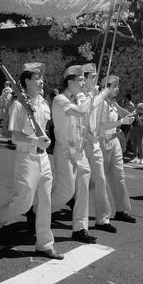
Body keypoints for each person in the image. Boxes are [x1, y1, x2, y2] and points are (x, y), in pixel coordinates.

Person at [0, 62, 63, 259]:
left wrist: (45, 141)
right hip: (26, 157)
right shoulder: (19, 105)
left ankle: (45, 243)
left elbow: (45, 129)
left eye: (41, 78)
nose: (42, 81)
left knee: (45, 202)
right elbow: (15, 137)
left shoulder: (43, 104)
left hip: (42, 158)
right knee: (23, 204)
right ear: (26, 81)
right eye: (37, 78)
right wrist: (36, 140)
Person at [49, 65, 97, 243]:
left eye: (85, 79)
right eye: (81, 80)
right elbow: (80, 112)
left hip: (79, 151)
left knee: (83, 190)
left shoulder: (79, 99)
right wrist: (90, 96)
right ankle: (36, 208)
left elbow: (86, 116)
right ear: (70, 82)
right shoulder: (60, 100)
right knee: (66, 192)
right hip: (64, 151)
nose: (84, 83)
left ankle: (80, 228)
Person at [80, 63, 119, 233]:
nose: (96, 79)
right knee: (70, 187)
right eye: (93, 77)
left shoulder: (95, 94)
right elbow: (90, 106)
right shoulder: (81, 96)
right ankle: (37, 209)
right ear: (84, 79)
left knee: (100, 180)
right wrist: (104, 92)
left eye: (96, 76)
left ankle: (102, 219)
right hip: (81, 144)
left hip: (95, 144)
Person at [98, 75, 138, 223]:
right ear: (107, 87)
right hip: (102, 142)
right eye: (114, 86)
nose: (117, 89)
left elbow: (126, 115)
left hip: (114, 141)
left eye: (117, 86)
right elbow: (102, 125)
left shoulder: (113, 103)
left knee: (119, 177)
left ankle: (121, 210)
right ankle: (75, 198)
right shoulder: (100, 103)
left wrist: (134, 115)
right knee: (94, 181)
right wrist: (122, 121)